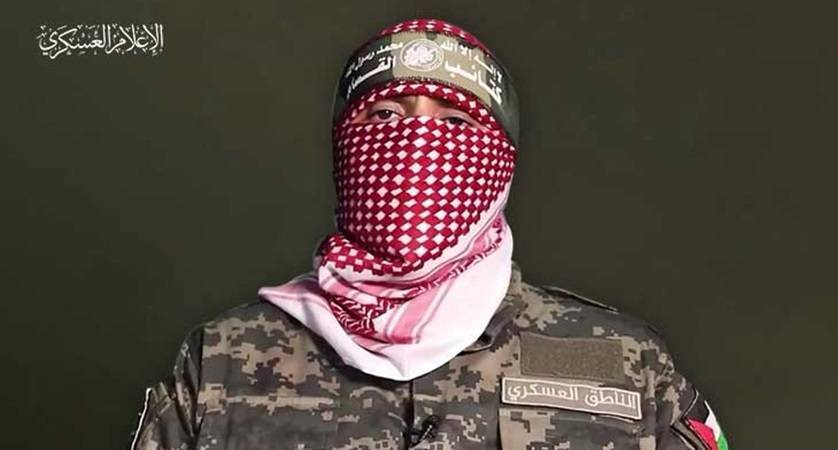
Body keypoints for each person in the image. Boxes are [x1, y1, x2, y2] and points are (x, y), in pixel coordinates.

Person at [129, 18, 729, 450]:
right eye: (385, 115)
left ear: (500, 160)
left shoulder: (621, 362)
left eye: (456, 121)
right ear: (344, 148)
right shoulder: (223, 362)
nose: (417, 142)